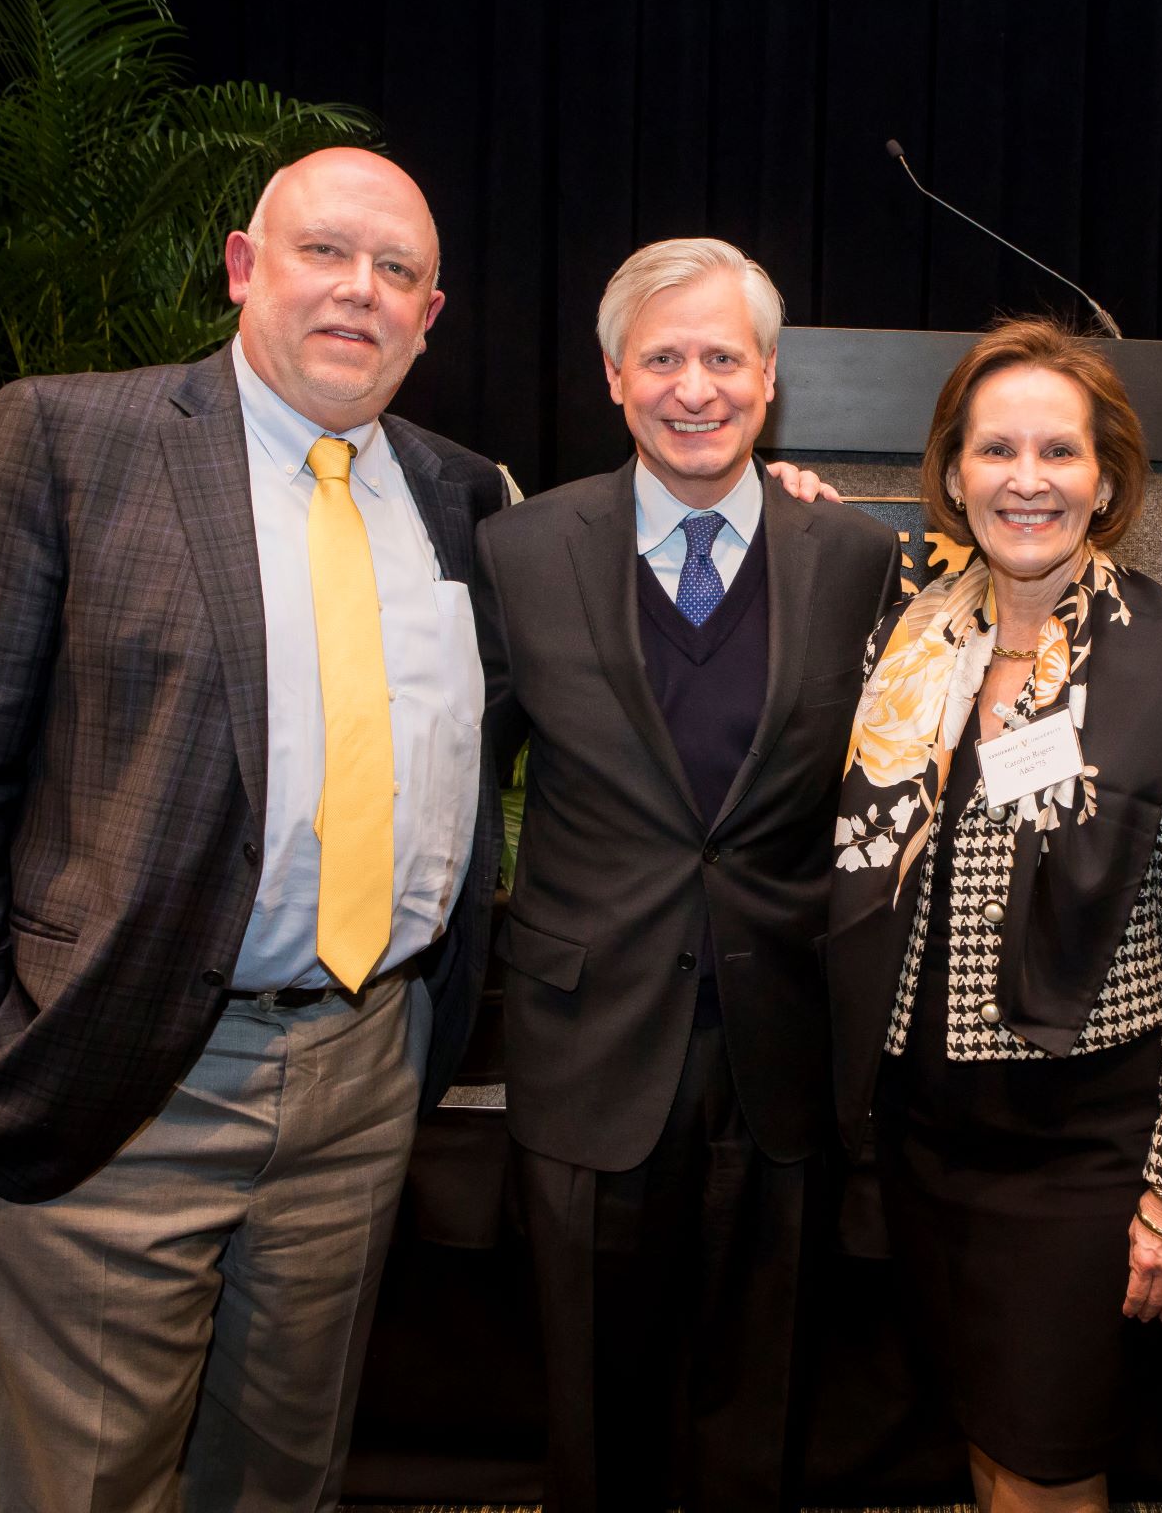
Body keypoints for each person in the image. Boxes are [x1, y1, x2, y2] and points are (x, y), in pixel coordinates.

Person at [0, 147, 505, 1512]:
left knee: (283, 1480)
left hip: (361, 1072)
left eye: (397, 272)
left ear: (431, 314)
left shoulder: (461, 496)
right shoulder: (69, 438)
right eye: (325, 252)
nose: (359, 292)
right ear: (241, 267)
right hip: (113, 1071)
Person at [473, 237, 899, 1513]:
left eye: (723, 357)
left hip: (779, 1045)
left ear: (769, 379)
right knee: (594, 1414)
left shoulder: (857, 562)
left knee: (759, 1400)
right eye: (663, 358)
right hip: (585, 1039)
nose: (693, 387)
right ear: (613, 377)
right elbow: (454, 782)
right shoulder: (521, 552)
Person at [826, 317, 1162, 1513]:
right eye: (996, 449)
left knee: (1046, 1453)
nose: (1027, 480)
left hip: (1079, 1142)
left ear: (1108, 477)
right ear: (954, 472)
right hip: (919, 1123)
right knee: (980, 1425)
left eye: (1059, 453)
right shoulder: (906, 633)